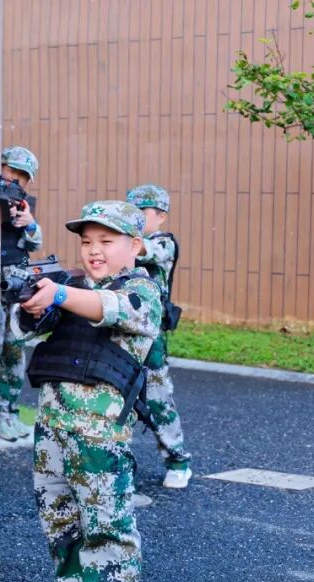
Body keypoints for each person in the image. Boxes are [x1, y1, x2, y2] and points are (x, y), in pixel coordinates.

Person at [15, 200, 162, 582]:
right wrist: (33, 302)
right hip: (53, 426)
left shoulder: (143, 290)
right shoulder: (70, 285)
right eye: (86, 241)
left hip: (100, 433)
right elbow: (27, 329)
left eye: (106, 241)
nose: (93, 250)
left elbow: (110, 308)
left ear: (134, 245)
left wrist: (58, 294)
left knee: (106, 523)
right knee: (58, 517)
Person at [126, 184, 192, 489]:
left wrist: (117, 240)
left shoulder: (163, 243)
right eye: (131, 211)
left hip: (149, 336)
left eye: (142, 212)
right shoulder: (124, 242)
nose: (135, 217)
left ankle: (178, 461)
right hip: (120, 330)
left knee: (156, 397)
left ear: (161, 216)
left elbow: (145, 251)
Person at [0, 146, 43, 442]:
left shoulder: (22, 204)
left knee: (14, 354)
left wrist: (29, 223)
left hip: (14, 290)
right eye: (11, 172)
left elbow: (35, 244)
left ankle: (8, 413)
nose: (15, 179)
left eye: (22, 176)